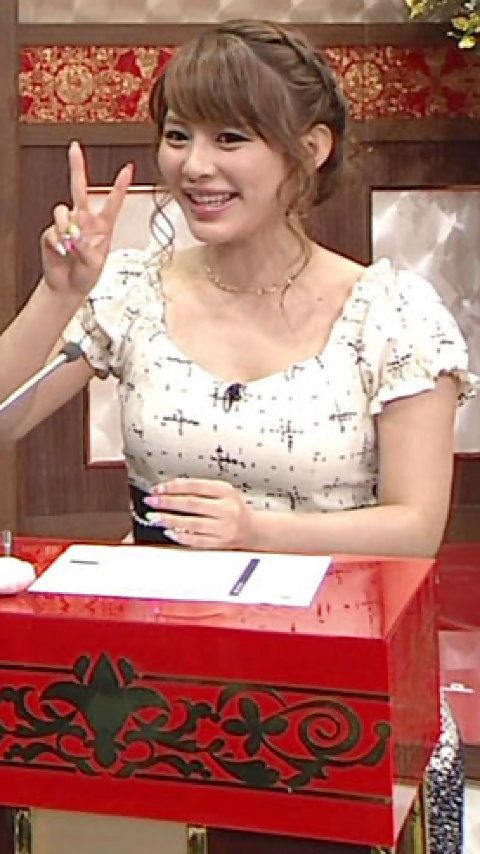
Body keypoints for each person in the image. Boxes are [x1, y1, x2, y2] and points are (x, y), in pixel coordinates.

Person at [0, 18, 475, 851]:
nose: (195, 166)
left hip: (336, 687)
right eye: (178, 136)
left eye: (230, 139)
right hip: (152, 677)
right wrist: (59, 293)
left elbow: (414, 526)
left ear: (311, 149)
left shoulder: (391, 312)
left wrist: (256, 531)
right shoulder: (133, 290)